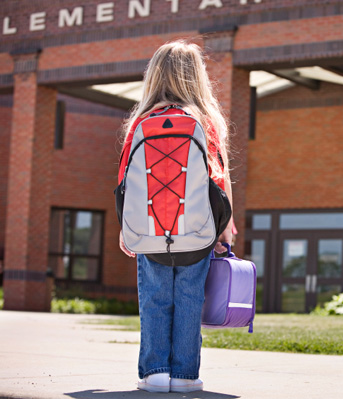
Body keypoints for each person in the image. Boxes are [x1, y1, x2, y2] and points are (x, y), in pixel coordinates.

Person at [117, 39, 235, 393]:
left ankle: (154, 373)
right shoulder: (205, 121)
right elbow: (220, 177)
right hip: (197, 229)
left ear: (154, 75)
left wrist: (127, 228)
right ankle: (185, 376)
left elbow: (125, 180)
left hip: (150, 229)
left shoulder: (140, 122)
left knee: (153, 297)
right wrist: (226, 226)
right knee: (189, 298)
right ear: (195, 78)